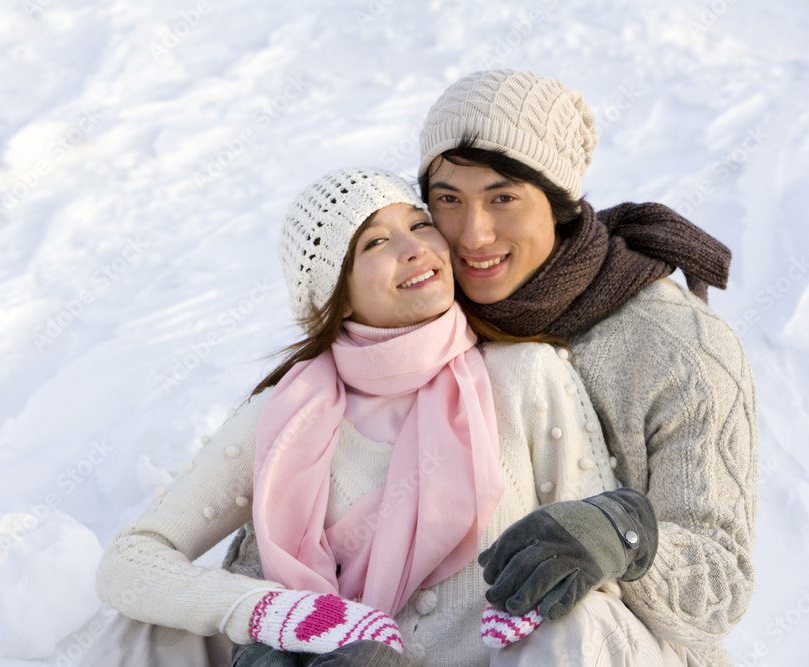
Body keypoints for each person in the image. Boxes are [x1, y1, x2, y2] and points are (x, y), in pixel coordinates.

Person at [90, 166, 652, 666]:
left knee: (585, 621)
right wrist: (273, 613)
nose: (415, 248)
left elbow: (589, 567)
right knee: (145, 632)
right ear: (339, 294)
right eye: (376, 242)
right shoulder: (284, 414)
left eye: (419, 223)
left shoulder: (526, 373)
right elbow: (130, 560)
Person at [416, 69, 758, 666]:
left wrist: (623, 535)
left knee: (565, 623)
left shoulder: (678, 345)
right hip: (441, 639)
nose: (473, 233)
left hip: (614, 646)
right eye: (449, 199)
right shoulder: (418, 311)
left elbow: (720, 585)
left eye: (503, 197)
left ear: (558, 204)